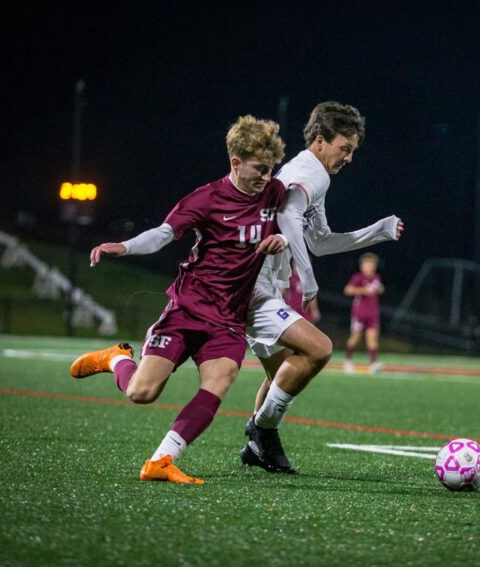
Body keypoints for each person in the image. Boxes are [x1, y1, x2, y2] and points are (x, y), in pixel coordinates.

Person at [68, 115, 288, 484]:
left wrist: (281, 239)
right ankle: (118, 360)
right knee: (142, 392)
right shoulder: (206, 198)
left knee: (219, 380)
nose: (267, 177)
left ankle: (161, 460)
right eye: (259, 168)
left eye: (271, 168)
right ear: (235, 162)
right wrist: (123, 247)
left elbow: (293, 220)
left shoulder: (275, 193)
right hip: (188, 308)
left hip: (230, 317)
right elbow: (163, 234)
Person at [240, 101, 404, 473]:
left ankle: (257, 442)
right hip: (253, 282)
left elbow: (318, 240)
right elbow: (286, 216)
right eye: (344, 148)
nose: (348, 157)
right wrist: (308, 278)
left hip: (261, 280)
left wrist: (375, 231)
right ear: (319, 141)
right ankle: (262, 431)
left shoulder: (310, 172)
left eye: (352, 150)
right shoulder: (311, 172)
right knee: (317, 349)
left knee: (278, 371)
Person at [343, 252, 385, 374]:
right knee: (355, 337)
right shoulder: (358, 277)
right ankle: (348, 361)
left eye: (372, 264)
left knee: (372, 339)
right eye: (367, 264)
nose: (370, 266)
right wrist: (364, 290)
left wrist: (380, 289)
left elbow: (380, 289)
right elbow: (348, 290)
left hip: (373, 312)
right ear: (361, 265)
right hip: (359, 313)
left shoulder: (376, 277)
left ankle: (373, 363)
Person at [282, 260, 321, 324]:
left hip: (305, 311)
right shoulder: (289, 277)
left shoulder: (308, 280)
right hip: (292, 310)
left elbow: (312, 296)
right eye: (296, 265)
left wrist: (315, 310)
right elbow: (281, 292)